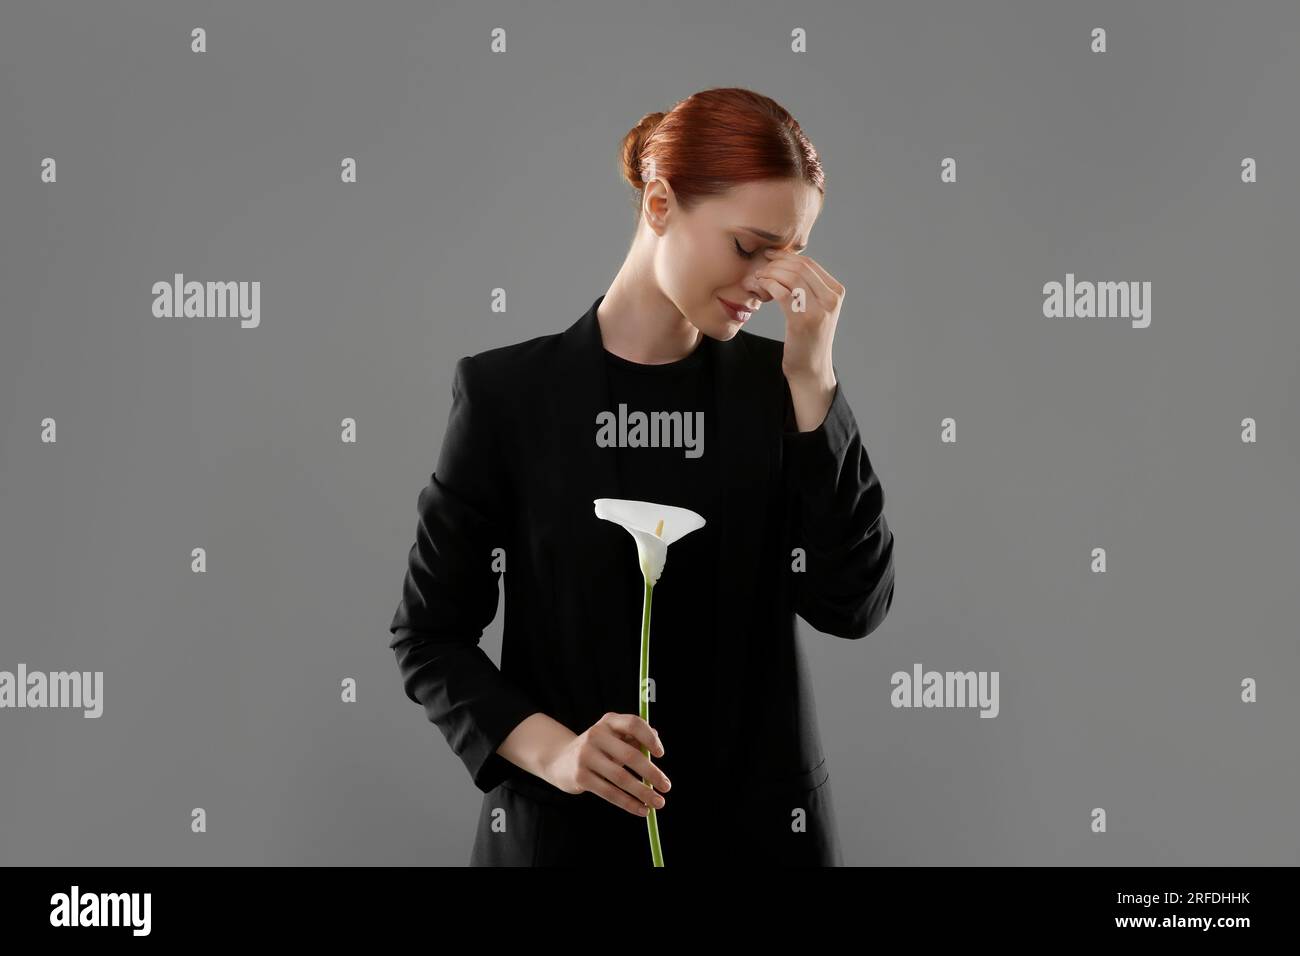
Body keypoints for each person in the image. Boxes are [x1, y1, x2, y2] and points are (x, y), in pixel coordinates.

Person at [388, 86, 896, 866]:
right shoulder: (508, 398)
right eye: (749, 247)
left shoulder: (784, 388)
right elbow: (429, 636)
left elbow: (853, 602)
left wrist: (815, 387)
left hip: (760, 840)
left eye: (787, 255)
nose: (770, 284)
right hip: (564, 841)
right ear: (660, 203)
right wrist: (559, 754)